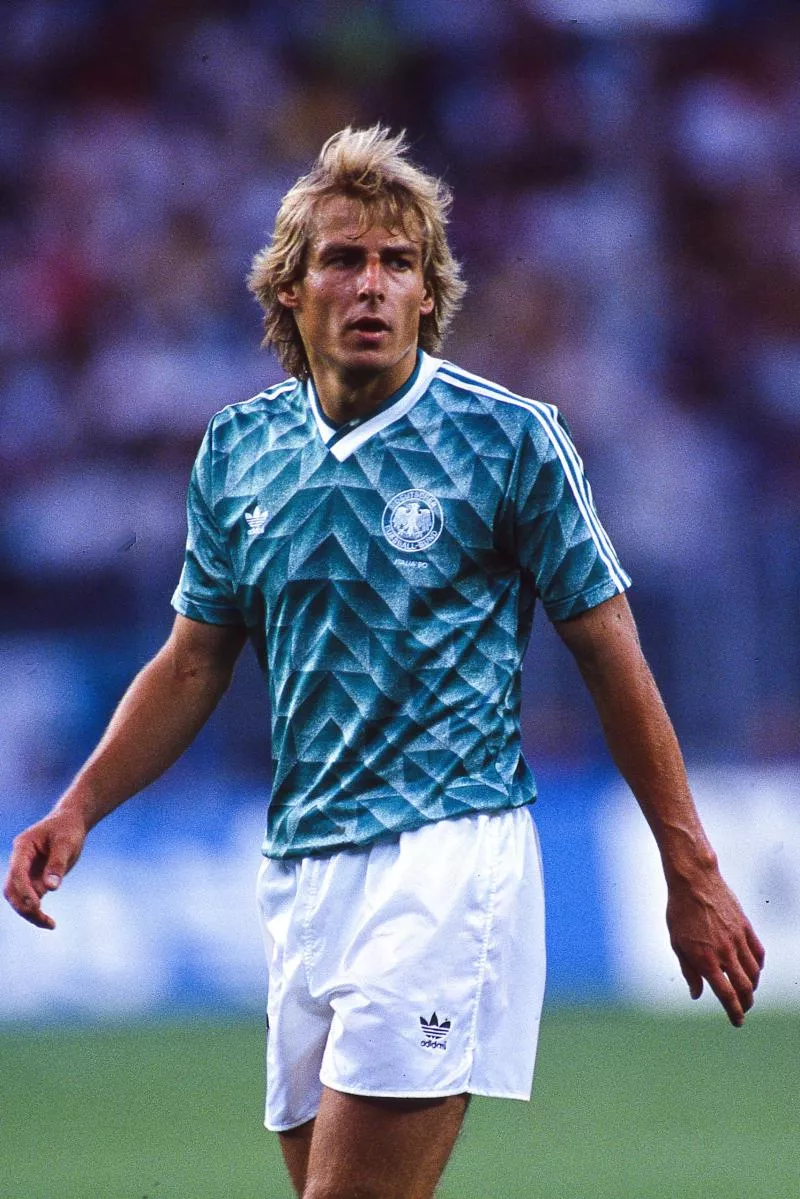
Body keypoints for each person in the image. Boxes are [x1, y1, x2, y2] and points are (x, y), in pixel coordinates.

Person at [5, 125, 764, 1199]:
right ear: (289, 290)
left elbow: (608, 650)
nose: (370, 284)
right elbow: (191, 661)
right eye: (343, 258)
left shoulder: (507, 439)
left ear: (426, 294)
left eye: (396, 263)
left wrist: (688, 866)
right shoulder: (238, 450)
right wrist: (77, 807)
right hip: (303, 870)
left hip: (445, 853)